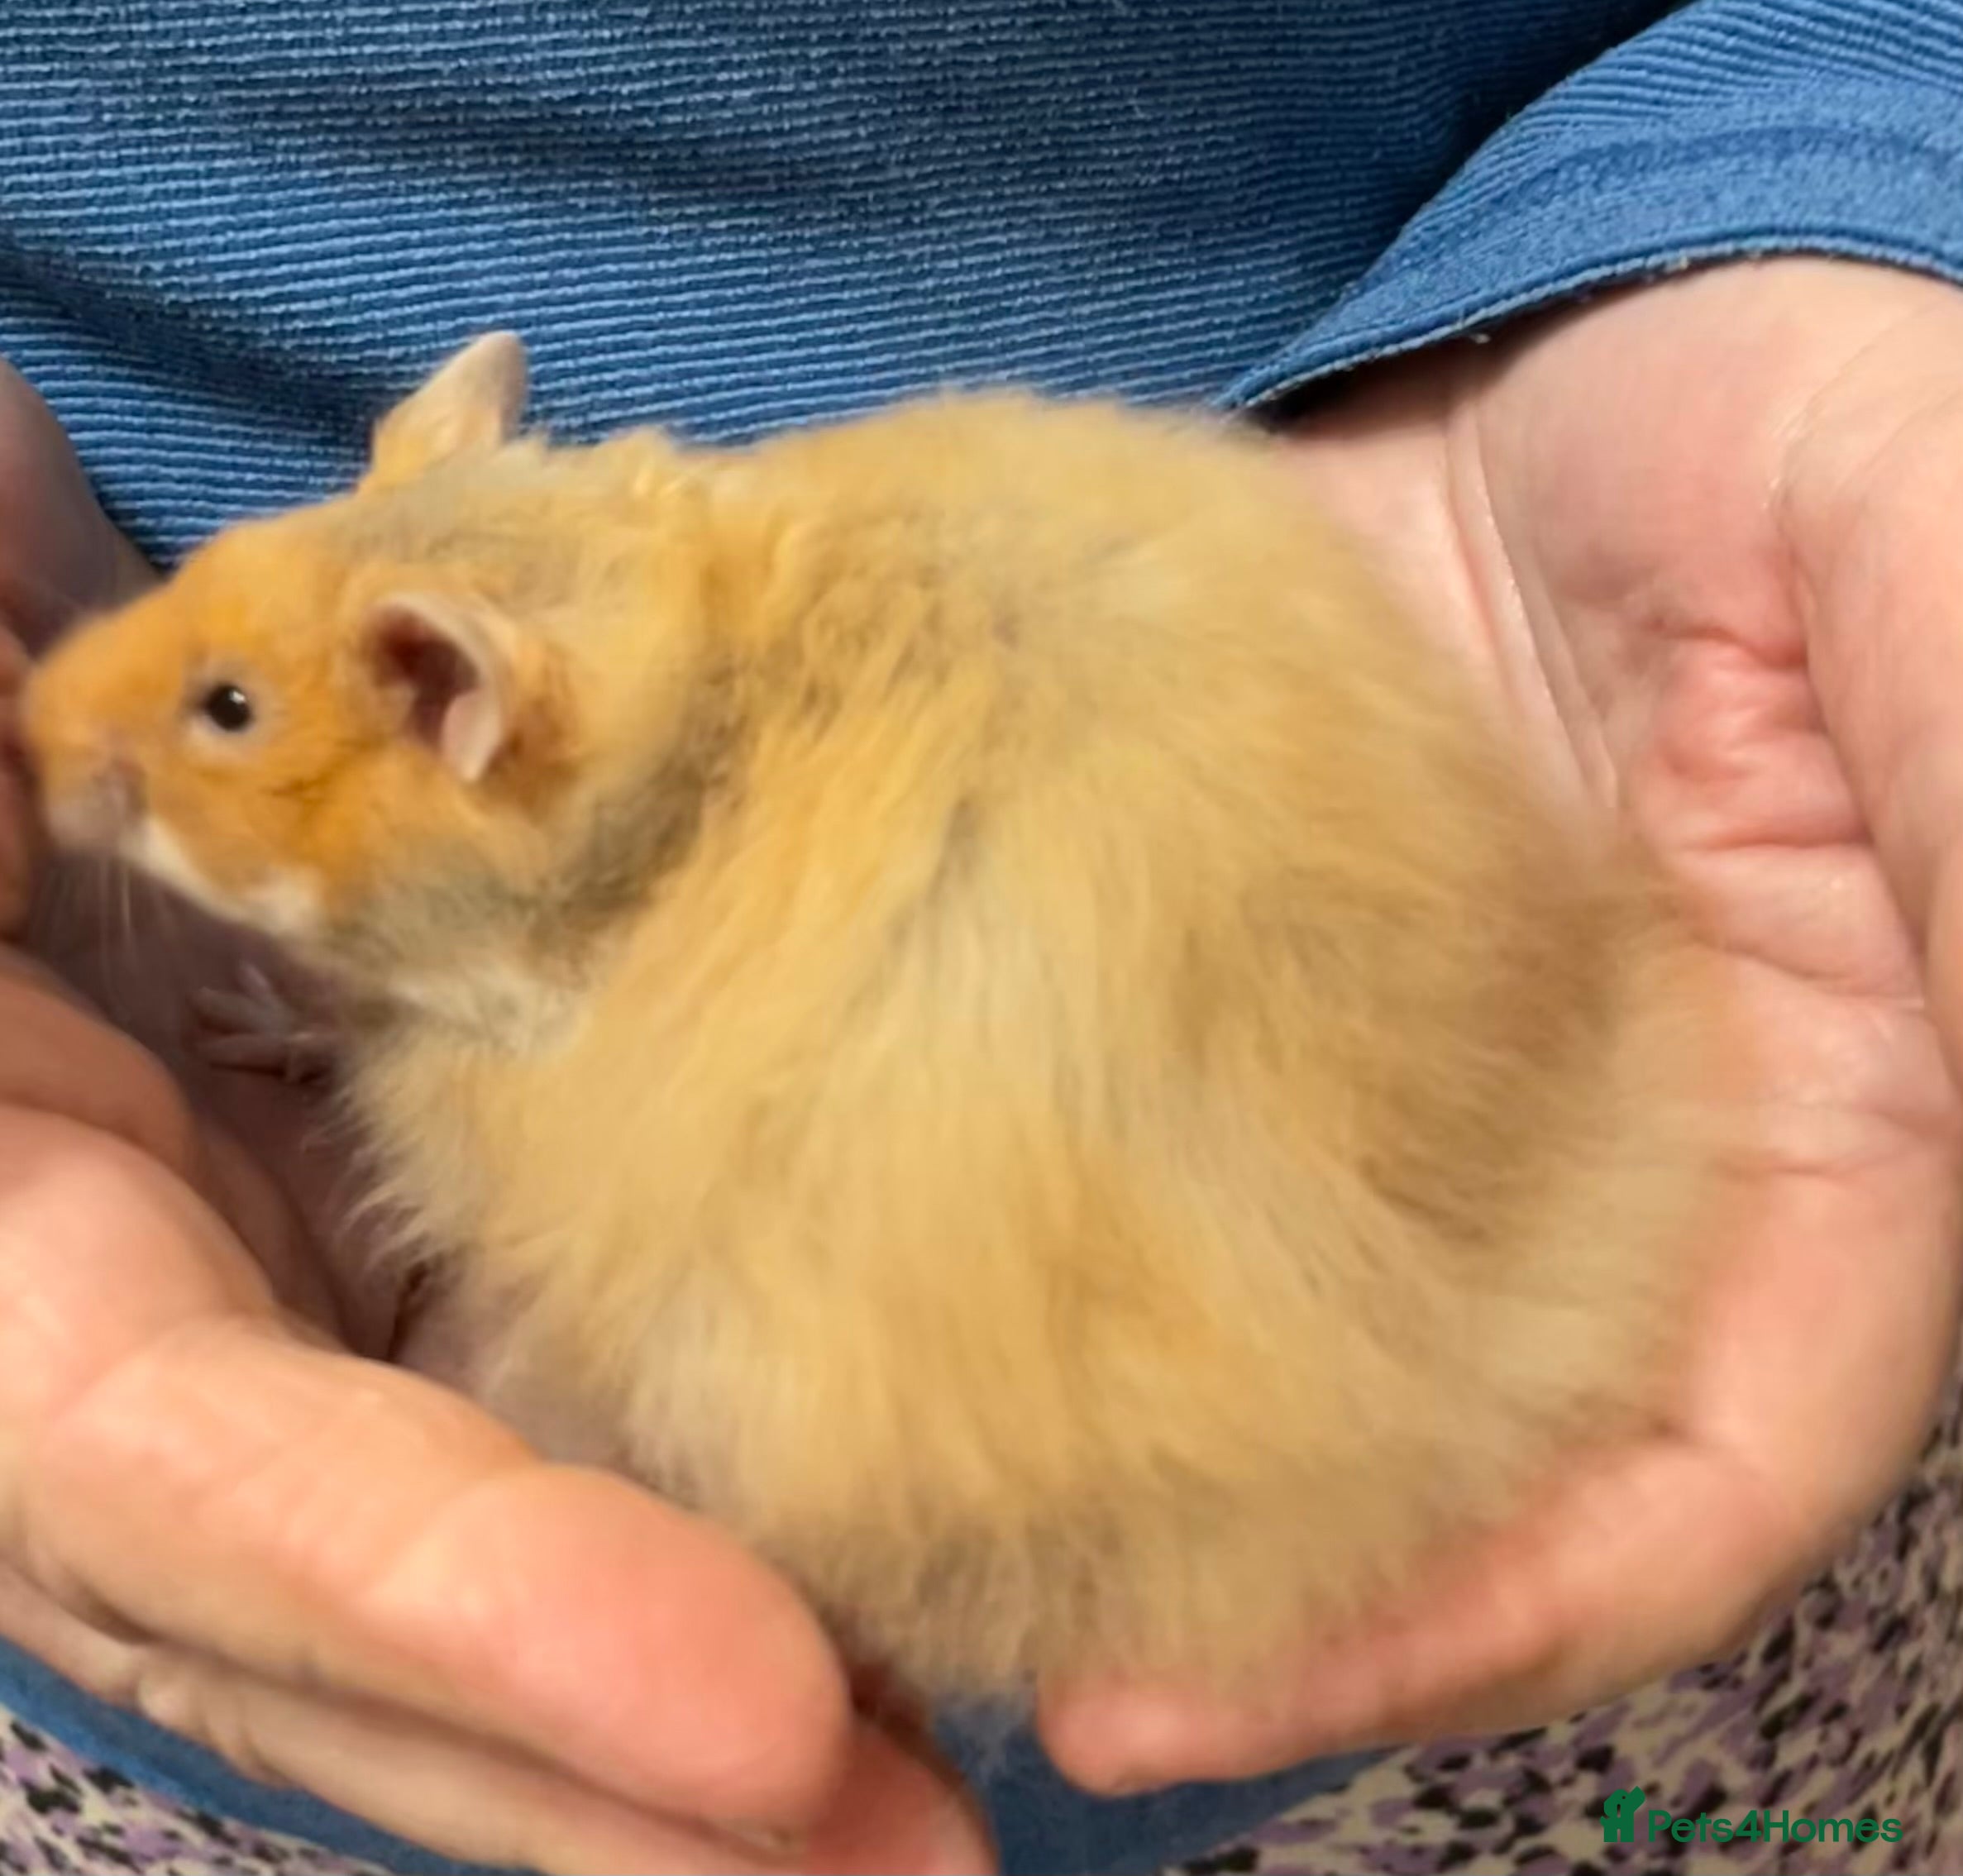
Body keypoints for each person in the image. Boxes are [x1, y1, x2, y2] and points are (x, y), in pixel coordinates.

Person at [2, 3, 1962, 1872]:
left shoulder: (566, 852)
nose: (103, 723)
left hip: (1610, 1689)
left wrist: (1844, 162)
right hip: (213, 1676)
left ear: (461, 702)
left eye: (226, 711)